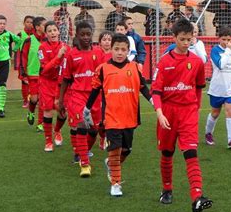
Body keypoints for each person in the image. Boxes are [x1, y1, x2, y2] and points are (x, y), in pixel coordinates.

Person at [151, 18, 213, 212]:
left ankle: (197, 197)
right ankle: (167, 189)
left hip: (188, 113)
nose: (186, 43)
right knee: (167, 152)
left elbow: (199, 88)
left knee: (191, 152)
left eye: (189, 39)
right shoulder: (164, 62)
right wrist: (160, 113)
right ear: (174, 38)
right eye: (182, 39)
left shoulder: (196, 62)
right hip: (168, 112)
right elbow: (156, 92)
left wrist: (196, 109)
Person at [84, 34, 152, 197]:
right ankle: (115, 183)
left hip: (130, 116)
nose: (120, 53)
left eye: (123, 50)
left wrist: (154, 102)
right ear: (111, 49)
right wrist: (87, 109)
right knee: (114, 149)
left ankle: (111, 164)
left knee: (126, 150)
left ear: (128, 51)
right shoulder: (103, 69)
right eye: (116, 49)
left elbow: (143, 88)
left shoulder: (135, 67)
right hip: (111, 117)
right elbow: (94, 90)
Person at [58, 22, 104, 176]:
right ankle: (85, 164)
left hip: (95, 98)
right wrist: (61, 101)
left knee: (94, 130)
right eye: (82, 34)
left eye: (88, 34)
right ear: (77, 35)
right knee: (82, 125)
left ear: (92, 35)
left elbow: (105, 77)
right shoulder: (71, 55)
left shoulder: (99, 54)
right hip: (77, 96)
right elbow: (65, 79)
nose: (85, 37)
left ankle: (81, 152)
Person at [205, 26, 231, 150]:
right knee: (215, 113)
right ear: (219, 38)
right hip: (217, 88)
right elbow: (220, 65)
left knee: (230, 111)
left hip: (230, 88)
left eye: (228, 39)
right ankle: (208, 133)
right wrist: (228, 51)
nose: (226, 42)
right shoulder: (215, 50)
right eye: (224, 39)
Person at [38, 21, 70, 153]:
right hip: (46, 83)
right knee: (48, 111)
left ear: (58, 32)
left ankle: (57, 130)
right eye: (49, 31)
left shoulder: (65, 47)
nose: (52, 33)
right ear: (46, 34)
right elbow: (45, 69)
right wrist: (58, 57)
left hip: (61, 85)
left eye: (54, 30)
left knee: (62, 112)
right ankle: (48, 141)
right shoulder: (42, 48)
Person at [22, 17, 47, 127]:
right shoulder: (29, 40)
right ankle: (31, 112)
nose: (47, 28)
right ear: (37, 27)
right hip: (32, 74)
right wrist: (23, 74)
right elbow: (23, 57)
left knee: (43, 100)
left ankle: (40, 123)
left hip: (45, 75)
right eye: (44, 25)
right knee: (34, 99)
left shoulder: (48, 40)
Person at [16, 15, 35, 108]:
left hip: (33, 60)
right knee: (24, 81)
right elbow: (16, 48)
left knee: (34, 80)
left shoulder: (36, 35)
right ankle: (25, 100)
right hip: (23, 61)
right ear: (24, 23)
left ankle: (33, 98)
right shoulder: (20, 34)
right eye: (27, 22)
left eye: (31, 22)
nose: (29, 24)